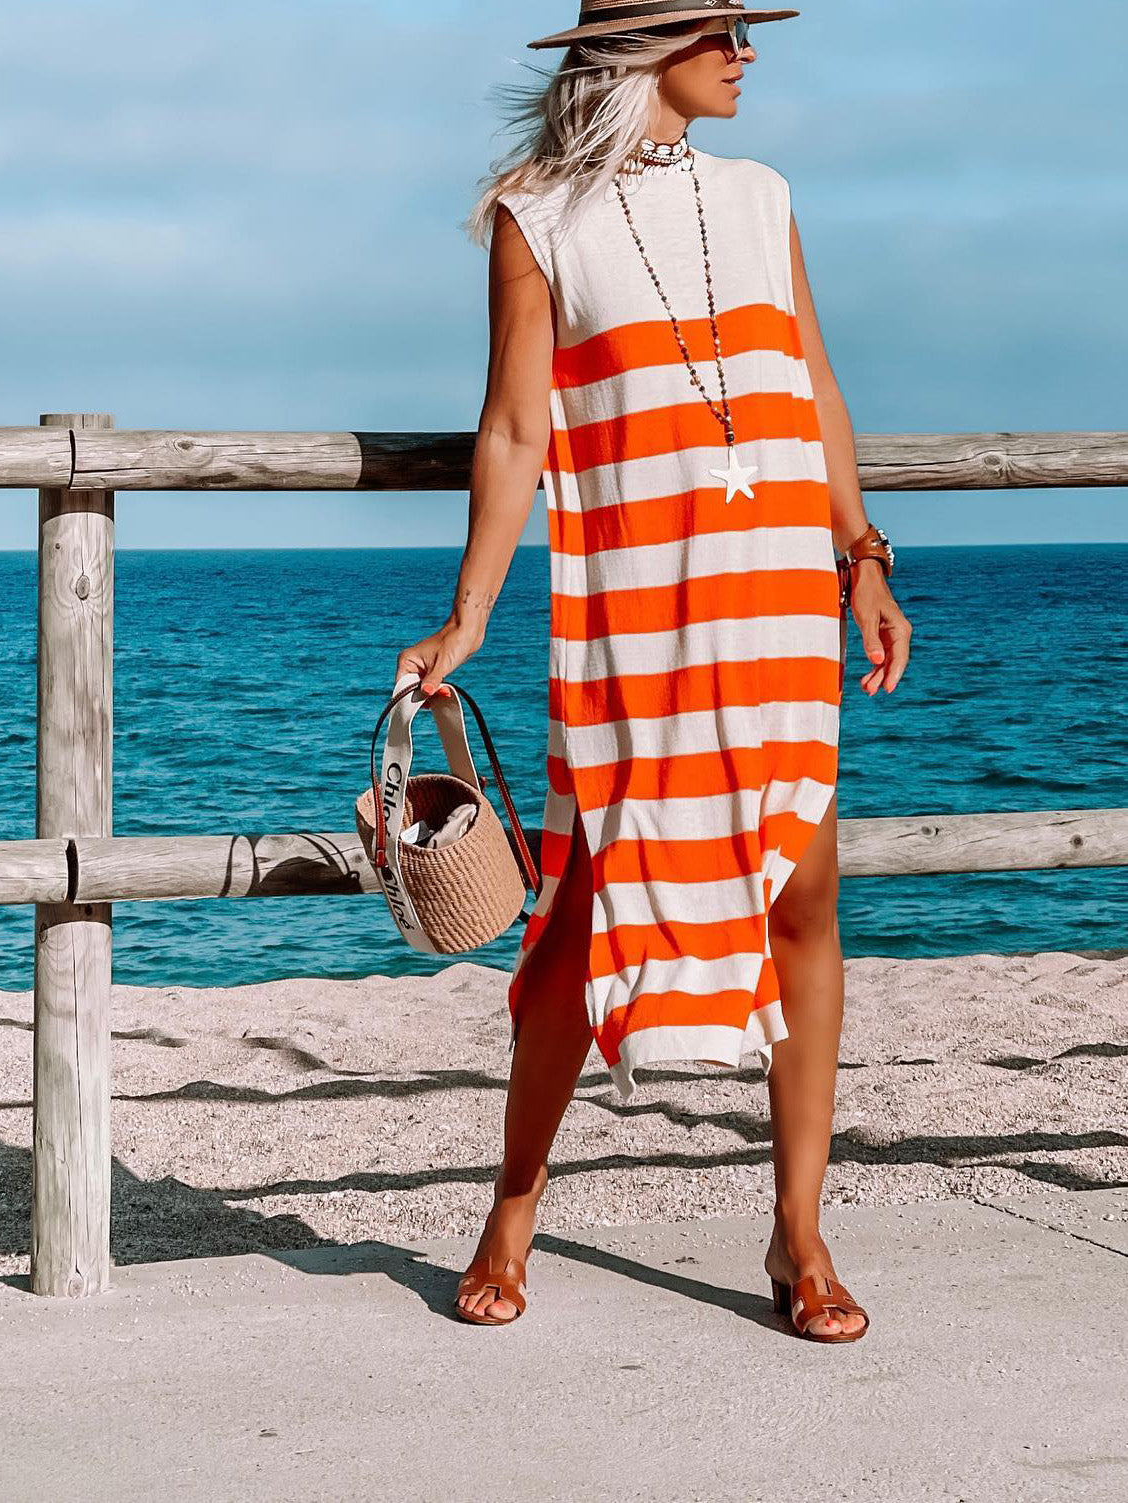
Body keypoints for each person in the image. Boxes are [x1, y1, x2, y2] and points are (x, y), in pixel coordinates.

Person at [396, 2, 911, 1343]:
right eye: (723, 28)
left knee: (800, 896)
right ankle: (515, 1200)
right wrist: (470, 616)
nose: (748, 52)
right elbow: (516, 426)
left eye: (748, 28)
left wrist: (862, 551)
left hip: (775, 604)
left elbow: (810, 375)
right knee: (581, 922)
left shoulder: (759, 194)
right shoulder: (538, 216)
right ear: (641, 52)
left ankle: (799, 1232)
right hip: (637, 608)